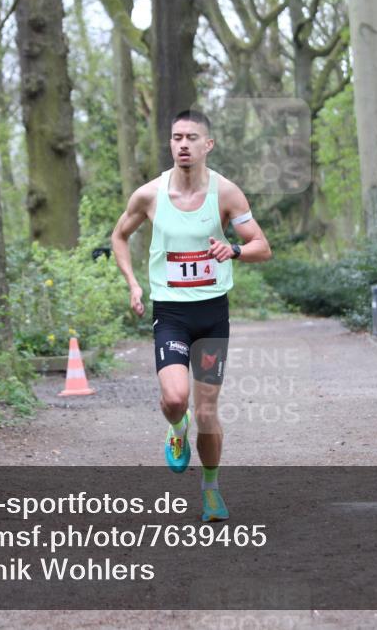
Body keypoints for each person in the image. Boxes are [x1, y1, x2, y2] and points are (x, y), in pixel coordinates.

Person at [111, 109, 272, 522]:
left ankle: (211, 488)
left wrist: (232, 249)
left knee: (206, 411)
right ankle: (175, 428)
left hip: (213, 315)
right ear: (170, 143)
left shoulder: (227, 194)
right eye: (176, 137)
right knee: (175, 398)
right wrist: (132, 282)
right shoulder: (148, 195)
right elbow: (120, 236)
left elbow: (261, 246)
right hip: (171, 314)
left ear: (208, 145)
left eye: (191, 137)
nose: (183, 144)